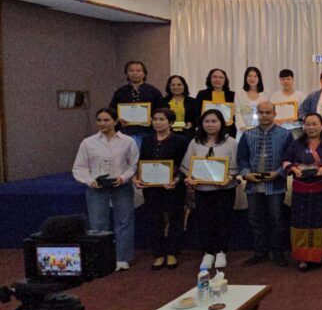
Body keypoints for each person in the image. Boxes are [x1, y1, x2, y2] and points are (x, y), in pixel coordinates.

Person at [72, 107, 139, 271]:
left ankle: (123, 258)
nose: (102, 123)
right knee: (97, 224)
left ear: (115, 121)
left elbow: (133, 165)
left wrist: (123, 177)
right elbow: (79, 167)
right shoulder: (88, 143)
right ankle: (100, 259)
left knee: (124, 222)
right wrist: (90, 181)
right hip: (97, 187)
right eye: (99, 120)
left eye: (106, 120)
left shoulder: (128, 141)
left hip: (121, 186)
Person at [181, 109, 239, 270]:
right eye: (206, 121)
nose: (210, 124)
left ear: (221, 123)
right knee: (205, 221)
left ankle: (221, 251)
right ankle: (208, 253)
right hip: (202, 190)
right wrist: (189, 178)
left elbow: (236, 165)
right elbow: (188, 166)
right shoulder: (195, 142)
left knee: (223, 220)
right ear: (202, 124)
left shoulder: (231, 142)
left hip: (225, 189)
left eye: (214, 121)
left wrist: (229, 178)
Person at [237, 101, 291, 267]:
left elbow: (289, 158)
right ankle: (259, 252)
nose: (265, 115)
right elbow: (242, 158)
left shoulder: (285, 134)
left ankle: (278, 253)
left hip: (275, 184)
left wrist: (279, 173)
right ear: (257, 114)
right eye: (261, 112)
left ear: (274, 114)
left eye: (268, 112)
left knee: (276, 220)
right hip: (253, 185)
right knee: (255, 220)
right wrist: (246, 174)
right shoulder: (247, 135)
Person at [134, 108, 188, 270]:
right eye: (155, 119)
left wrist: (176, 180)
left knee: (175, 219)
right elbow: (142, 162)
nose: (157, 122)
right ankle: (158, 253)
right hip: (152, 188)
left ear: (170, 122)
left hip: (173, 187)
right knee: (154, 219)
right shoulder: (147, 140)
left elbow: (185, 165)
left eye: (162, 119)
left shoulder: (180, 140)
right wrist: (137, 178)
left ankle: (171, 252)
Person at [282, 113, 322, 271]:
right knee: (301, 222)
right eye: (308, 124)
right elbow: (285, 161)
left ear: (321, 126)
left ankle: (318, 255)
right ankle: (303, 258)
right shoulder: (296, 144)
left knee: (319, 221)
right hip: (301, 190)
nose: (311, 127)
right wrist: (294, 169)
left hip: (321, 189)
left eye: (314, 124)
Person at [109, 60, 162, 147]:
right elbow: (112, 111)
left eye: (138, 71)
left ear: (144, 73)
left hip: (148, 132)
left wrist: (154, 119)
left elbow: (161, 110)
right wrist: (118, 120)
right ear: (126, 73)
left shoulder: (153, 91)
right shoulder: (120, 92)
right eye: (131, 71)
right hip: (125, 132)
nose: (135, 73)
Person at [194, 68, 237, 138]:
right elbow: (197, 113)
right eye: (215, 77)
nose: (217, 79)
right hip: (207, 129)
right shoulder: (202, 94)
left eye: (221, 77)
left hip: (228, 130)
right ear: (210, 79)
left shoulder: (232, 95)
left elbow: (236, 113)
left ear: (225, 80)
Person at [235, 66, 269, 141]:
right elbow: (237, 112)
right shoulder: (239, 93)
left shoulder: (265, 94)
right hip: (243, 130)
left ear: (259, 78)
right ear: (246, 78)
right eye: (249, 76)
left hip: (261, 131)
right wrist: (242, 128)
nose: (252, 79)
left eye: (255, 76)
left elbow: (267, 113)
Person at [160, 75, 199, 139]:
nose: (176, 87)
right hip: (167, 134)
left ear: (184, 86)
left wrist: (192, 124)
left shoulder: (193, 101)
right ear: (169, 87)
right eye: (173, 85)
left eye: (179, 85)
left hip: (187, 135)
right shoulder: (162, 102)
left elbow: (197, 117)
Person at [270, 69, 306, 133]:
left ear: (293, 79)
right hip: (278, 129)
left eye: (288, 79)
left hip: (296, 129)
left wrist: (296, 119)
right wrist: (274, 120)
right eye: (283, 79)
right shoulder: (274, 96)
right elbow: (270, 112)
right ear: (280, 80)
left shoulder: (301, 96)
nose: (285, 81)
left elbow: (304, 114)